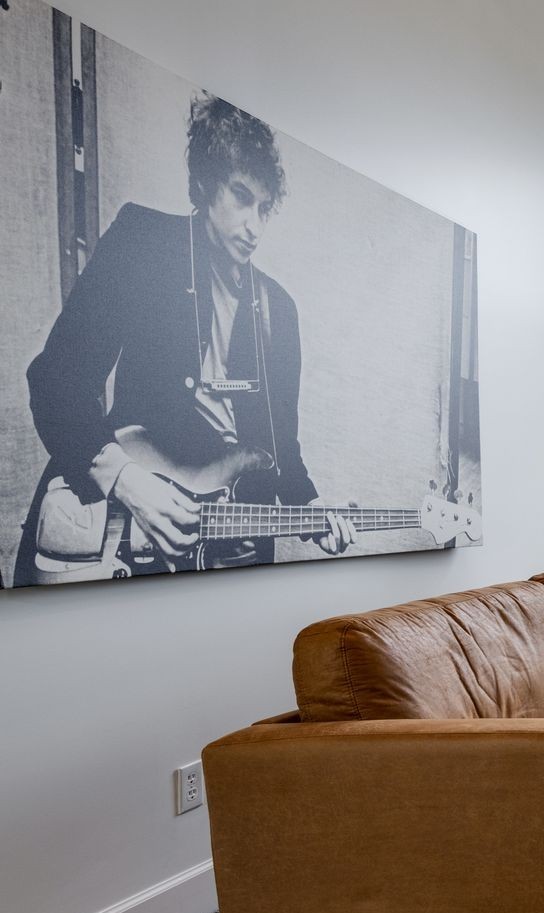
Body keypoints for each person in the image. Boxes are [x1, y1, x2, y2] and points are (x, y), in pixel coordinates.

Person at [13, 95, 354, 584]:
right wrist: (126, 482)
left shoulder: (278, 308)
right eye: (241, 197)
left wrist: (315, 510)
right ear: (207, 183)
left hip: (227, 550)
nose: (254, 226)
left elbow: (281, 449)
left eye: (264, 207)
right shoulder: (142, 243)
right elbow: (55, 380)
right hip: (123, 533)